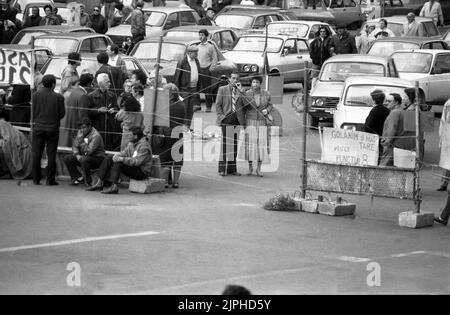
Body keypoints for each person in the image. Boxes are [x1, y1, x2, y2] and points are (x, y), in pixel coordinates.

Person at [86, 126, 152, 194]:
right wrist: (117, 156)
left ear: (135, 136)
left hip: (142, 172)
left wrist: (122, 159)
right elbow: (125, 153)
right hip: (133, 167)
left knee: (119, 163)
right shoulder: (132, 143)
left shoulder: (144, 146)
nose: (128, 137)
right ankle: (99, 183)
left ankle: (114, 187)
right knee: (109, 157)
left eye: (130, 135)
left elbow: (137, 162)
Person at [31, 74, 65, 186]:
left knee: (37, 153)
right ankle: (50, 179)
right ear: (53, 84)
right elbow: (61, 114)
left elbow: (34, 111)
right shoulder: (59, 97)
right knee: (51, 153)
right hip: (53, 128)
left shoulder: (35, 95)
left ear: (43, 84)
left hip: (38, 127)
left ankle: (36, 178)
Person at [152, 83, 186, 188]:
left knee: (165, 161)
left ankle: (165, 182)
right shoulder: (182, 105)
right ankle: (175, 182)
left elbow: (158, 121)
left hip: (165, 135)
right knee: (177, 160)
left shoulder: (163, 106)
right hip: (178, 134)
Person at [241, 75, 272, 177]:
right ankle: (250, 168)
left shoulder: (266, 94)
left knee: (261, 146)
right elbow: (243, 108)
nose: (255, 84)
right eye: (253, 82)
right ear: (251, 83)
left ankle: (258, 169)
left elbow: (270, 105)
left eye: (257, 82)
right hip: (250, 121)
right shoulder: (247, 94)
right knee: (250, 145)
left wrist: (267, 110)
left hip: (262, 122)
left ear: (260, 83)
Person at [216, 71, 245, 177]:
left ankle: (232, 169)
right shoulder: (222, 89)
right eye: (233, 78)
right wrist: (222, 117)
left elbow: (244, 104)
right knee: (225, 145)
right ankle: (221, 169)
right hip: (226, 118)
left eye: (237, 78)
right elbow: (218, 105)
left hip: (236, 119)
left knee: (234, 145)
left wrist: (241, 92)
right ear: (229, 79)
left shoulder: (240, 90)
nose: (235, 80)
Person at [64, 117, 105, 186]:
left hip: (97, 159)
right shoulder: (80, 132)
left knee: (84, 159)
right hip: (84, 156)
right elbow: (74, 146)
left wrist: (81, 141)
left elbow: (88, 152)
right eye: (80, 128)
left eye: (84, 127)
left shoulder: (96, 136)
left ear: (90, 126)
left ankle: (88, 182)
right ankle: (77, 178)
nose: (82, 130)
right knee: (67, 158)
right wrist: (77, 155)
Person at [379, 93, 416, 167]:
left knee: (383, 168)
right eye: (386, 101)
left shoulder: (395, 112)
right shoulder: (403, 111)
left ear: (396, 102)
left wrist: (386, 142)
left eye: (389, 101)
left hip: (392, 146)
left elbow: (392, 128)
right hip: (400, 146)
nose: (386, 103)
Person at [59, 73, 94, 148]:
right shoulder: (83, 95)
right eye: (92, 84)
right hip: (78, 128)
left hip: (70, 124)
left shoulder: (75, 91)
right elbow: (83, 116)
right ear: (89, 84)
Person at [87, 73, 120, 151]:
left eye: (109, 81)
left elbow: (117, 108)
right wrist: (98, 110)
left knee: (108, 148)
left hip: (109, 128)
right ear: (100, 83)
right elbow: (87, 111)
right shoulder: (91, 96)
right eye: (107, 82)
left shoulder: (112, 95)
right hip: (97, 127)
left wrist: (114, 110)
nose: (110, 84)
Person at [0, 109, 32, 180]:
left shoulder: (2, 124)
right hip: (24, 152)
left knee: (3, 147)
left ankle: (6, 171)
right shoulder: (4, 124)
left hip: (22, 154)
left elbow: (8, 140)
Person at [174, 45, 200, 129]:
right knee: (184, 109)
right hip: (184, 89)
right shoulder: (182, 62)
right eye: (195, 53)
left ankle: (187, 127)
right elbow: (177, 77)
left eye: (197, 52)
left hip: (194, 88)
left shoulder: (196, 60)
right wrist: (177, 91)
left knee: (190, 110)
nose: (197, 54)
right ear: (189, 53)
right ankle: (183, 127)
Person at [197, 29, 218, 113]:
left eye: (202, 35)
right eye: (199, 35)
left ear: (206, 36)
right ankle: (197, 105)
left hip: (206, 69)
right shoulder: (198, 46)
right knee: (197, 88)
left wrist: (211, 68)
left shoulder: (210, 46)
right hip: (199, 69)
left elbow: (214, 58)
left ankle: (208, 106)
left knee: (207, 89)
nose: (200, 37)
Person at [437, 97, 450, 191]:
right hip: (447, 134)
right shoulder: (448, 104)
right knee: (447, 161)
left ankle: (444, 183)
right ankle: (444, 183)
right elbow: (445, 120)